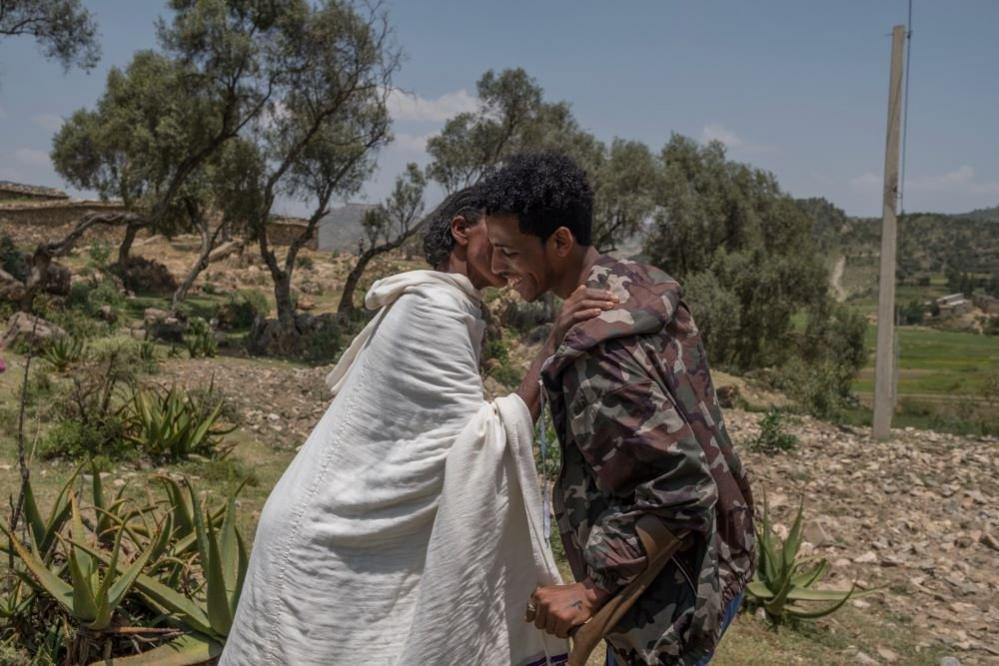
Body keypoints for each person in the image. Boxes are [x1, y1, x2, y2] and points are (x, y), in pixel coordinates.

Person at [221, 185, 612, 666]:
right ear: (461, 230)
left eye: (515, 247)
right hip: (325, 541)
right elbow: (480, 444)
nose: (508, 260)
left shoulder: (450, 307)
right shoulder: (431, 309)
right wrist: (553, 340)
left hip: (344, 533)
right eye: (498, 242)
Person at [480, 152, 756, 666]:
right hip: (717, 552)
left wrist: (590, 588)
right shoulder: (635, 282)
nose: (498, 268)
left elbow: (679, 486)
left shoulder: (598, 354)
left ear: (560, 242)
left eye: (509, 252)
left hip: (670, 596)